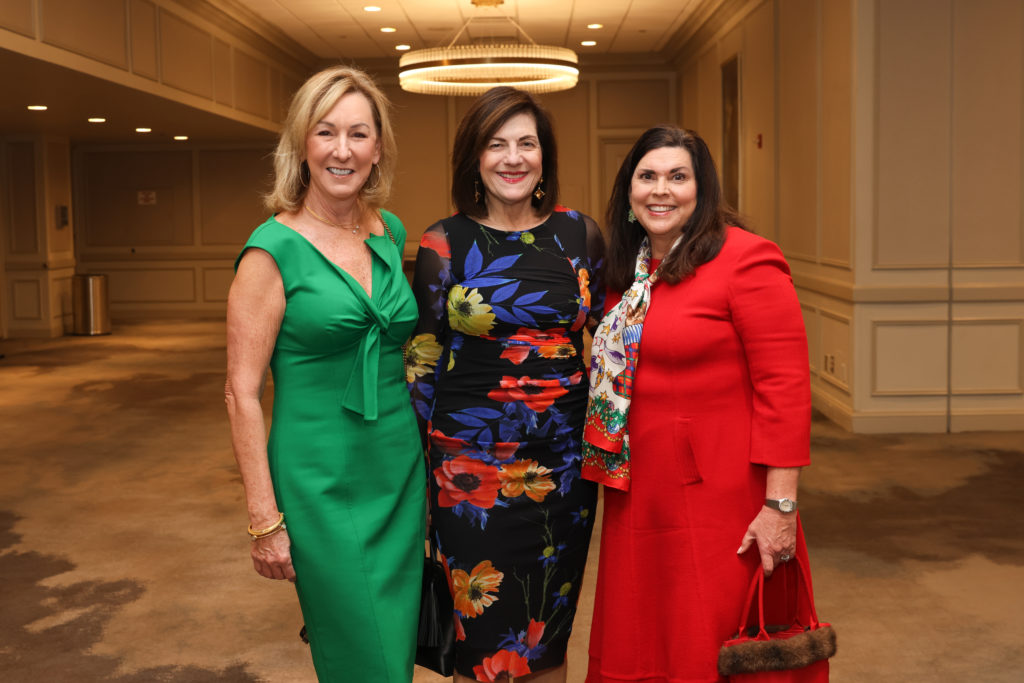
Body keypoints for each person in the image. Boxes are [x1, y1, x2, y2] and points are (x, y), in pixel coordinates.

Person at [583, 126, 815, 682]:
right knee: (644, 642)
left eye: (678, 177)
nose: (661, 191)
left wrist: (780, 508)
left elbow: (785, 387)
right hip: (638, 494)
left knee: (709, 643)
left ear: (701, 189)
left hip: (722, 499)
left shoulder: (746, 259)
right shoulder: (627, 273)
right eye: (647, 177)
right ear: (629, 190)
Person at [224, 66, 423, 682]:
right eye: (326, 132)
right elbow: (241, 392)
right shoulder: (271, 252)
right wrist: (264, 518)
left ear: (378, 147)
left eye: (358, 134)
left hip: (397, 469)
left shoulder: (386, 230)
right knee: (365, 654)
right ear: (301, 145)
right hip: (318, 478)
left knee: (394, 644)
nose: (343, 150)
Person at [407, 86, 606, 682]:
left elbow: (615, 337)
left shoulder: (580, 236)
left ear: (545, 157)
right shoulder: (444, 242)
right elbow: (422, 359)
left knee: (548, 630)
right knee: (483, 640)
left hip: (564, 468)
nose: (513, 158)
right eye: (497, 144)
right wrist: (416, 470)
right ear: (474, 158)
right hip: (470, 470)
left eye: (527, 143)